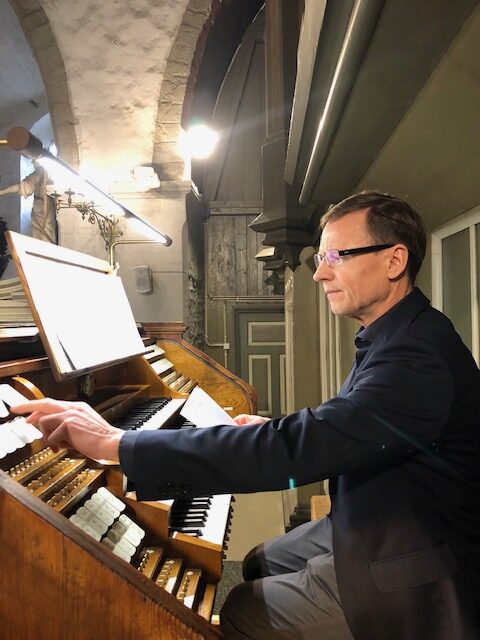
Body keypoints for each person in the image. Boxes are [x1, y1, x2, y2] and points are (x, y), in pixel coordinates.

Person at [11, 191, 480, 640]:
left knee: (242, 611)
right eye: (322, 258)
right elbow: (349, 425)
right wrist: (269, 429)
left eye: (337, 256)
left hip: (419, 553)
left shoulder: (416, 359)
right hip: (385, 513)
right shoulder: (401, 334)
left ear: (394, 261)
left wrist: (119, 443)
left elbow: (298, 448)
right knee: (259, 562)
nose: (320, 273)